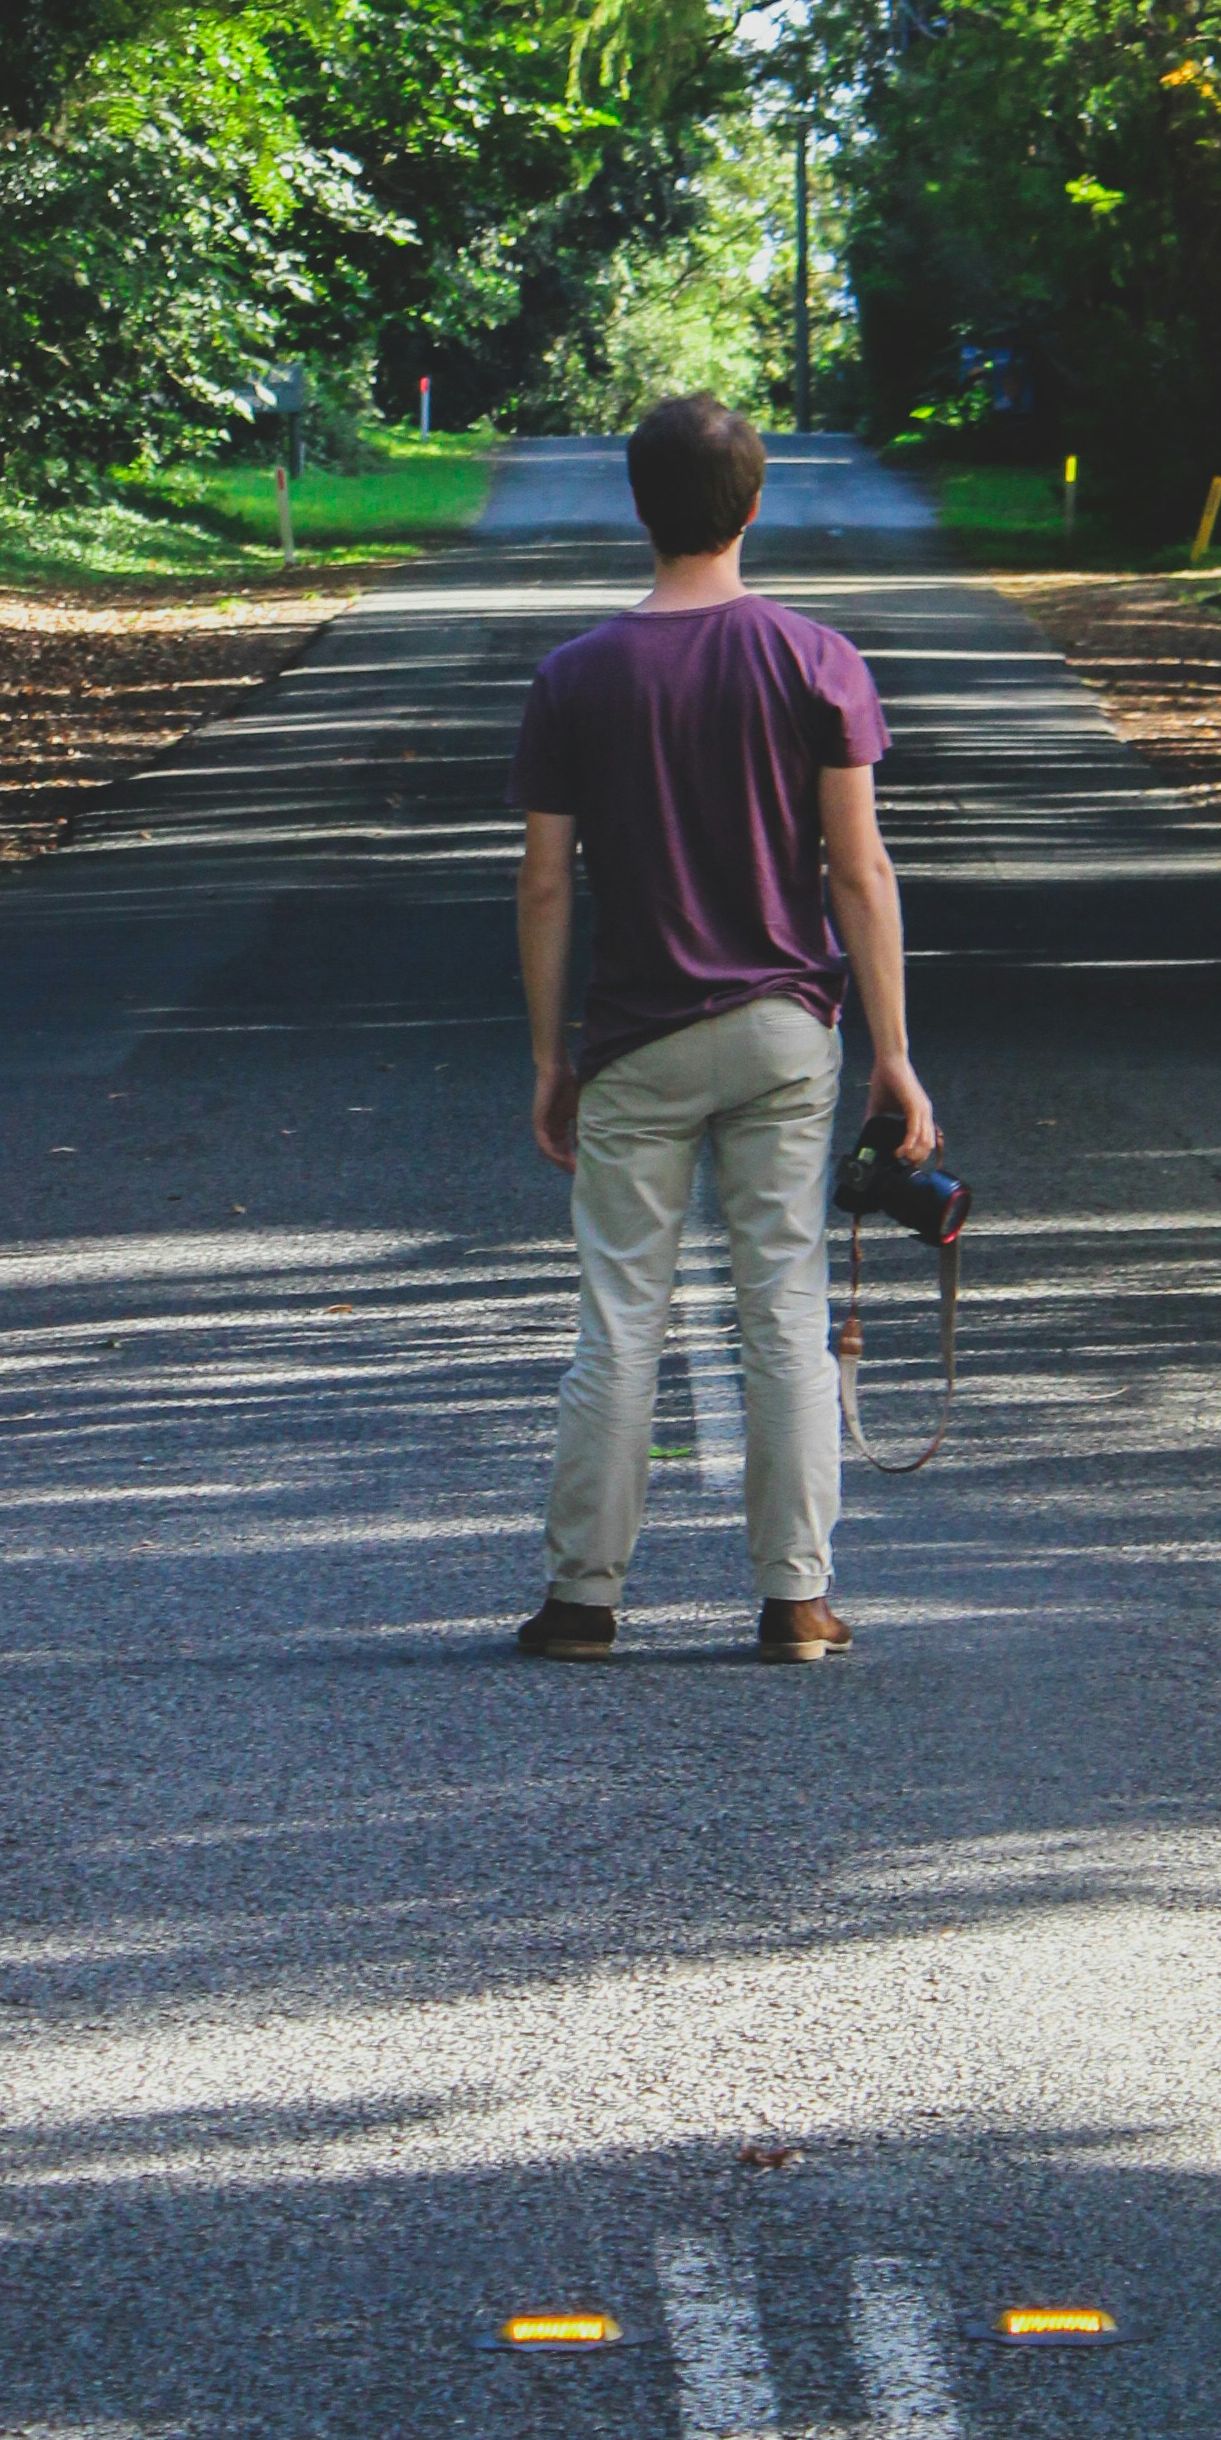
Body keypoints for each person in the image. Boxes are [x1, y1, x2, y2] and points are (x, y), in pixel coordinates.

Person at [508, 392, 937, 1664]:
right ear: (754, 508)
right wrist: (895, 1052)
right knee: (782, 1311)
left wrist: (550, 1056)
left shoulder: (575, 677)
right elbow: (859, 874)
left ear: (637, 511)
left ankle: (584, 1599)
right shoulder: (816, 660)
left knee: (620, 1323)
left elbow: (545, 881)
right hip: (782, 1033)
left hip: (635, 1042)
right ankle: (797, 1600)